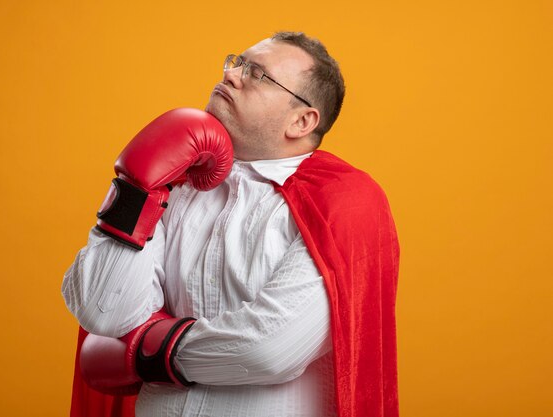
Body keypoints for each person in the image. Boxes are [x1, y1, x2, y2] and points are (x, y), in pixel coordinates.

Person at [62, 31, 400, 417]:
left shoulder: (344, 202)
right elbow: (104, 311)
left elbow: (269, 349)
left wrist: (147, 350)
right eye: (237, 62)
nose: (231, 75)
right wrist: (138, 188)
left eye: (257, 74)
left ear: (301, 121)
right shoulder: (177, 184)